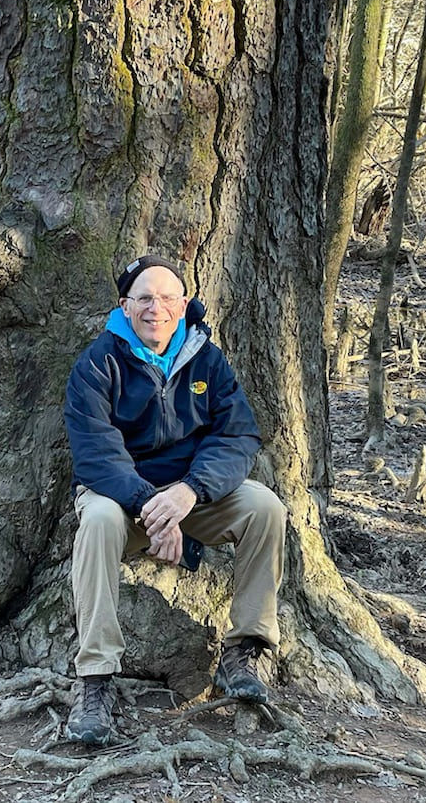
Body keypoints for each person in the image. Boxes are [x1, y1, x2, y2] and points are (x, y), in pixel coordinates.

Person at [62, 255, 287, 746]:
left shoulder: (208, 358)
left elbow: (237, 436)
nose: (156, 308)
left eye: (167, 298)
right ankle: (96, 679)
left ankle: (243, 652)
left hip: (192, 494)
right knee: (96, 521)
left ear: (184, 304)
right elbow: (96, 454)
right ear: (126, 306)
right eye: (144, 298)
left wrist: (188, 492)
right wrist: (154, 509)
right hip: (122, 499)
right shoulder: (98, 363)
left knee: (266, 508)